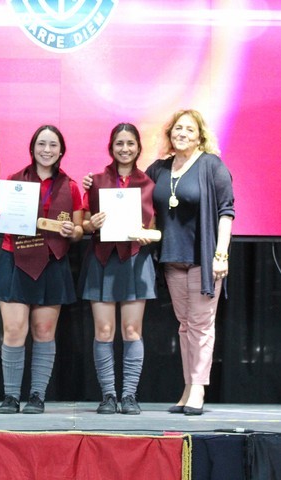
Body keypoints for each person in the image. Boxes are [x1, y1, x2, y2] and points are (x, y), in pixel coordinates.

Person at [0, 125, 83, 414]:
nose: (46, 150)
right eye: (41, 144)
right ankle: (11, 396)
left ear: (61, 151)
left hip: (52, 261)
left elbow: (78, 230)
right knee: (14, 330)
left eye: (53, 145)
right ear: (32, 148)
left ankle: (37, 395)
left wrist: (73, 230)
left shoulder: (70, 186)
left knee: (44, 330)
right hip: (15, 259)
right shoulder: (14, 181)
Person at [145, 109, 234, 416]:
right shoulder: (159, 168)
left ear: (200, 136)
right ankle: (188, 386)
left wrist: (220, 255)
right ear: (170, 134)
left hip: (203, 260)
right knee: (185, 327)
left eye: (189, 129)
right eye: (177, 128)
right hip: (172, 259)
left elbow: (226, 212)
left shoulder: (211, 165)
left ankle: (198, 388)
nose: (182, 133)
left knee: (201, 325)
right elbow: (133, 194)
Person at [78, 123, 157, 415]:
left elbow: (155, 226)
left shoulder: (149, 184)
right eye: (119, 143)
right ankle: (109, 395)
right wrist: (91, 224)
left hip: (136, 260)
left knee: (132, 330)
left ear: (138, 147)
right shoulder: (95, 181)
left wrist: (146, 234)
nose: (125, 149)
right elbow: (84, 222)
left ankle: (130, 395)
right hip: (102, 258)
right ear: (111, 147)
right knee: (104, 330)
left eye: (130, 143)